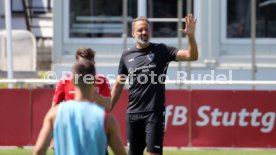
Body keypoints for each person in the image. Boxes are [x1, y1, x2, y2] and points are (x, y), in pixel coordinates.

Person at [111, 14, 198, 155]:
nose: (144, 32)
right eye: (140, 30)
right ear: (133, 33)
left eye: (146, 30)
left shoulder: (162, 50)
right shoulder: (126, 55)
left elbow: (192, 56)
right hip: (133, 114)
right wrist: (107, 108)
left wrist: (191, 36)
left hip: (154, 114)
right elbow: (118, 85)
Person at [33, 60, 127, 155]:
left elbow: (39, 150)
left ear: (72, 81)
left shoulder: (54, 114)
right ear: (94, 81)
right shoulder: (107, 119)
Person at [52, 47, 111, 111]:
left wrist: (92, 92)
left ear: (94, 63)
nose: (86, 69)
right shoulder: (64, 81)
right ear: (77, 64)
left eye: (89, 65)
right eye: (82, 65)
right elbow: (54, 109)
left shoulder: (102, 80)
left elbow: (108, 107)